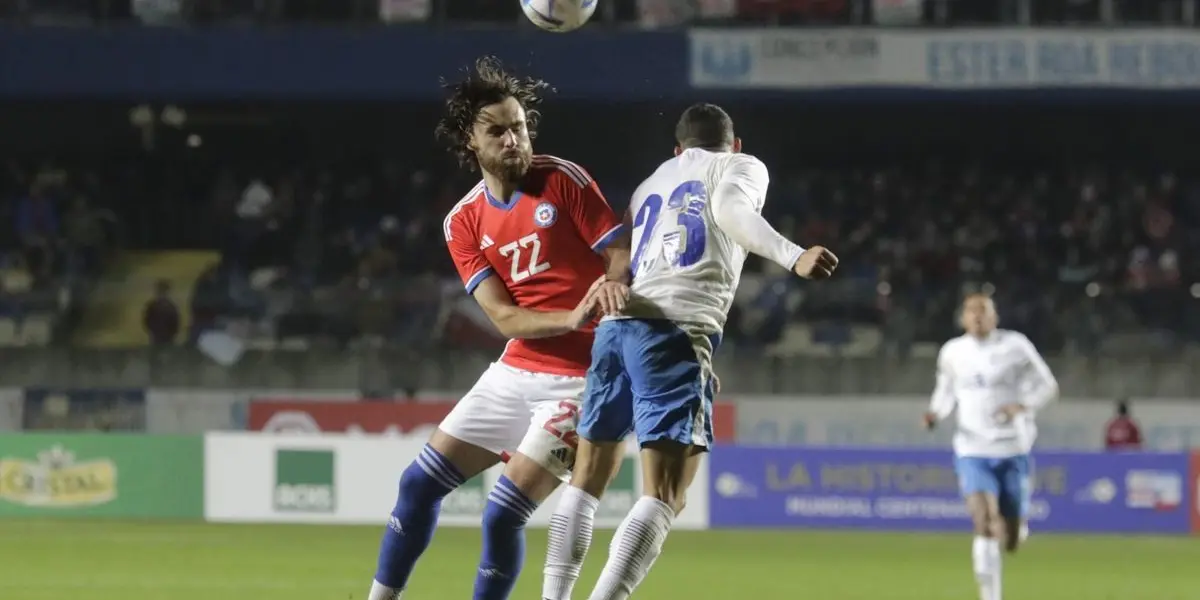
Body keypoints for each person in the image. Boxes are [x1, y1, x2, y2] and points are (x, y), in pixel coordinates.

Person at [540, 103, 838, 600]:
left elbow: (634, 262)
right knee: (665, 495)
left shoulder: (648, 183)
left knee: (586, 480)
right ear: (734, 144)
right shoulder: (742, 166)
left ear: (678, 150)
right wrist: (793, 254)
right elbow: (729, 211)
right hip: (674, 331)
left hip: (617, 330)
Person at [366, 56, 631, 600]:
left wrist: (615, 290)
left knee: (501, 514)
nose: (513, 139)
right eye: (498, 130)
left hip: (586, 379)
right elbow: (502, 317)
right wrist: (571, 314)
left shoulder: (563, 180)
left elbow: (621, 252)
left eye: (520, 126)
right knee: (416, 486)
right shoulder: (462, 221)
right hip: (516, 368)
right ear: (471, 141)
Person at [922, 293, 1059, 600]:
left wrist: (1023, 405)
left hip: (1012, 448)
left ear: (995, 317)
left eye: (983, 312)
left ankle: (1016, 527)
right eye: (972, 312)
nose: (978, 317)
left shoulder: (1015, 346)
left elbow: (1048, 385)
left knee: (1009, 539)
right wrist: (935, 414)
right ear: (963, 318)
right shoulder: (952, 352)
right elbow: (945, 393)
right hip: (972, 450)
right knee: (983, 521)